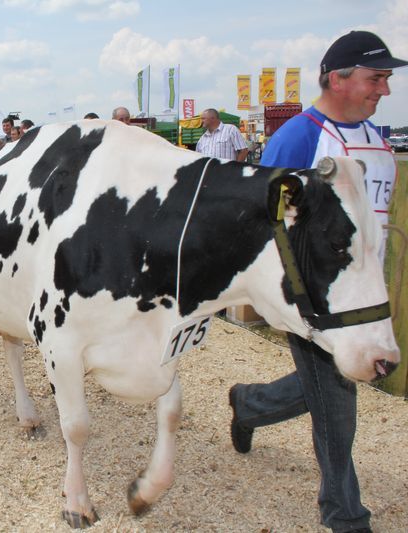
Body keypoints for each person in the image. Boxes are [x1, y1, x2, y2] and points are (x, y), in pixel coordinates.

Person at [228, 30, 406, 533]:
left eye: (386, 79)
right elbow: (264, 219)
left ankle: (249, 404)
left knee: (334, 383)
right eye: (376, 78)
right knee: (337, 400)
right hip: (315, 295)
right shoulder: (300, 139)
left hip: (363, 290)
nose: (385, 89)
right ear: (337, 79)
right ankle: (345, 514)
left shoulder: (375, 137)